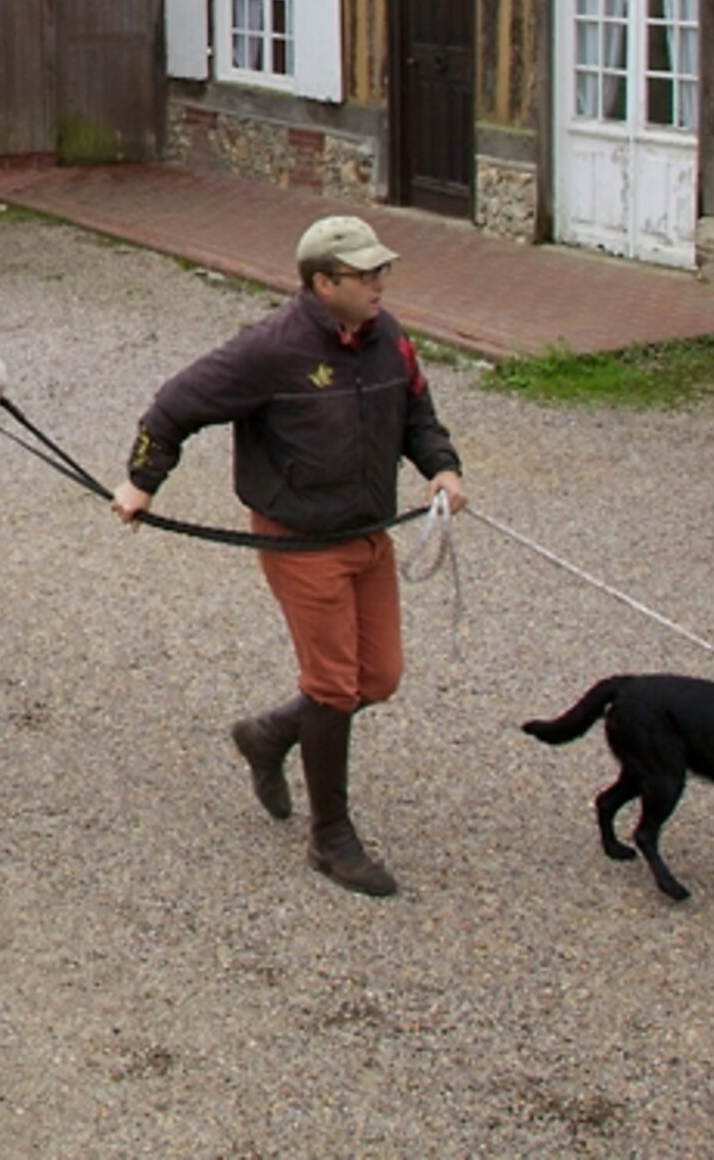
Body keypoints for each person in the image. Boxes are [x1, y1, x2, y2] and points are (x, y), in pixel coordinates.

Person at [110, 212, 465, 896]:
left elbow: (418, 414)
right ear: (322, 282)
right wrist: (140, 484)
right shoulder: (270, 350)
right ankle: (331, 839)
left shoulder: (389, 340)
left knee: (378, 678)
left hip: (368, 533)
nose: (380, 284)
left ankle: (270, 735)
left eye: (381, 271)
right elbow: (173, 407)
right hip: (301, 542)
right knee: (333, 685)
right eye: (366, 275)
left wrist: (442, 468)